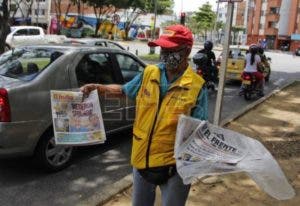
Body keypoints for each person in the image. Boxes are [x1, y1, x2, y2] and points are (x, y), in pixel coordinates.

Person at [80, 24, 208, 206]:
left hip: (175, 170)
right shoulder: (150, 73)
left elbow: (200, 132)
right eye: (162, 49)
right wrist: (98, 88)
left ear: (186, 51)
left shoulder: (197, 87)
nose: (164, 54)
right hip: (141, 161)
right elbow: (124, 91)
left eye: (170, 50)